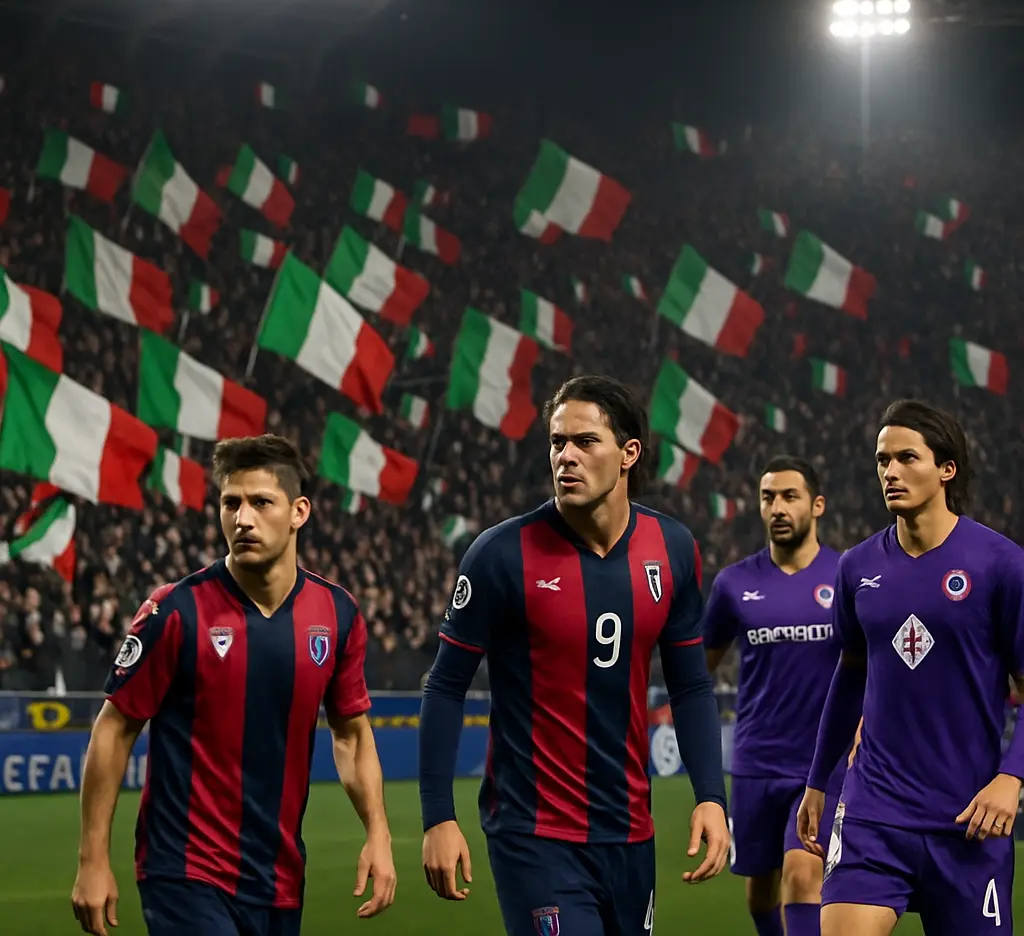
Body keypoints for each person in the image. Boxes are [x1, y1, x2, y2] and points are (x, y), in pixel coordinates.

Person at [417, 374, 730, 936]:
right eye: (558, 442)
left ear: (628, 453)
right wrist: (438, 815)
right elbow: (445, 685)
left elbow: (690, 686)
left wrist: (710, 796)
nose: (566, 456)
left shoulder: (673, 549)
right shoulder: (500, 555)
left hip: (630, 831)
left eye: (585, 442)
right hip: (534, 834)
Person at [70, 435, 397, 936]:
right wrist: (92, 858)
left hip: (279, 880)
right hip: (184, 870)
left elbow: (351, 734)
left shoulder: (337, 614)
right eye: (230, 503)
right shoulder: (175, 610)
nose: (242, 519)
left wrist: (378, 832)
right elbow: (114, 728)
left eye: (261, 502)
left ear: (298, 512)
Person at [797, 399, 1024, 936]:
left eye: (906, 458)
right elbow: (849, 676)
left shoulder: (1001, 564)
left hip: (968, 817)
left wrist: (1011, 777)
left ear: (946, 469)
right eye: (882, 460)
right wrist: (818, 781)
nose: (890, 472)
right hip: (873, 810)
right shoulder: (857, 568)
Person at [702, 456, 846, 936]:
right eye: (769, 498)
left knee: (803, 875)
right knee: (760, 891)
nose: (778, 508)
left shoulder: (845, 576)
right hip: (756, 761)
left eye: (790, 496)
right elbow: (699, 668)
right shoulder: (733, 584)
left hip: (822, 767)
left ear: (817, 505)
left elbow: (872, 668)